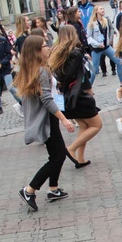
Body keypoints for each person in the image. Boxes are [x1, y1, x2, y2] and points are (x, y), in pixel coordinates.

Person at [16, 36, 75, 211]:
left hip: (47, 117)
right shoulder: (41, 71)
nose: (48, 47)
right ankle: (30, 189)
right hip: (48, 118)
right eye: (44, 46)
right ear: (36, 51)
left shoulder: (33, 69)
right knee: (58, 157)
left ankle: (53, 189)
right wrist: (64, 119)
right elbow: (47, 99)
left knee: (56, 154)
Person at [49, 25, 102, 169]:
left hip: (66, 96)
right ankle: (71, 149)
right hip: (78, 96)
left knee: (85, 125)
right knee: (97, 125)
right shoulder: (76, 52)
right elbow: (74, 75)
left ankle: (80, 158)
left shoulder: (56, 51)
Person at [88, 5, 122, 87]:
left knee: (120, 61)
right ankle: (87, 87)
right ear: (96, 11)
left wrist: (110, 40)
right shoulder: (92, 23)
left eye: (103, 8)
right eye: (101, 9)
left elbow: (110, 30)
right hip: (97, 49)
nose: (103, 10)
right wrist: (97, 44)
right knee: (95, 70)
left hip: (106, 47)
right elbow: (89, 37)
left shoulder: (105, 20)